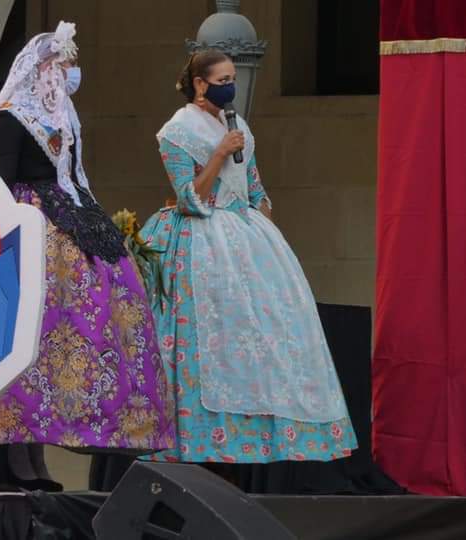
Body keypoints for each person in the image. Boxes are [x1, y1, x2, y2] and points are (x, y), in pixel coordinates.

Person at [0, 22, 175, 452]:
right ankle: (12, 439)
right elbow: (3, 179)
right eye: (65, 65)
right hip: (31, 219)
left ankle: (87, 420)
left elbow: (72, 175)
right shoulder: (12, 116)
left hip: (73, 211)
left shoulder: (62, 116)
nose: (71, 74)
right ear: (44, 70)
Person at [139, 50, 357, 464]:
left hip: (246, 236)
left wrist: (264, 224)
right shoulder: (177, 130)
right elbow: (190, 197)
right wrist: (219, 153)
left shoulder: (239, 127)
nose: (230, 86)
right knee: (204, 339)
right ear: (200, 84)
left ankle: (256, 438)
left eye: (232, 78)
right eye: (221, 79)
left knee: (269, 337)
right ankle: (198, 439)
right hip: (201, 239)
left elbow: (254, 187)